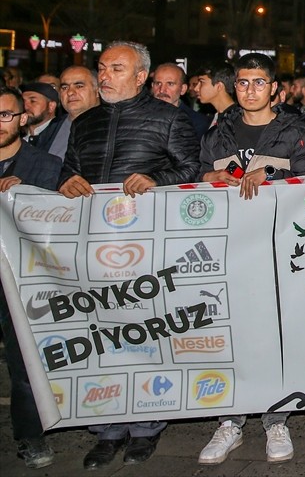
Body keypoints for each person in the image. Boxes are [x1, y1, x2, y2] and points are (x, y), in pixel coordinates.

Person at [58, 41, 201, 468]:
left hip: (146, 250)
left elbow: (191, 171)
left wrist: (157, 179)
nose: (105, 76)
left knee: (145, 338)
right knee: (100, 339)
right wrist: (68, 183)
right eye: (102, 68)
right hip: (94, 247)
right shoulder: (84, 124)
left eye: (116, 68)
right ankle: (105, 429)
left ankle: (145, 427)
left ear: (140, 78)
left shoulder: (170, 119)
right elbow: (68, 170)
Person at [196, 55, 305, 463]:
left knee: (273, 335)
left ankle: (275, 418)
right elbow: (199, 176)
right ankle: (230, 422)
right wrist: (207, 179)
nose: (251, 90)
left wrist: (271, 177)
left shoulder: (297, 128)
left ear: (275, 88)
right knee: (232, 334)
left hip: (277, 245)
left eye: (259, 82)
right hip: (229, 248)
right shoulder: (218, 130)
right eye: (244, 83)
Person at [0, 87, 63, 470]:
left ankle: (30, 436)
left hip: (20, 276)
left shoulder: (45, 165)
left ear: (23, 119)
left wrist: (28, 195)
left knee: (23, 358)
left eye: (6, 115)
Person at [151, 62, 210, 136]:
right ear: (152, 86)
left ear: (183, 89)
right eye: (158, 83)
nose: (162, 90)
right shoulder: (139, 116)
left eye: (170, 84)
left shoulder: (197, 123)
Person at [21, 82, 69, 160]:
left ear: (51, 106)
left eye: (32, 101)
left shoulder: (63, 133)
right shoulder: (17, 136)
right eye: (22, 102)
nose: (25, 106)